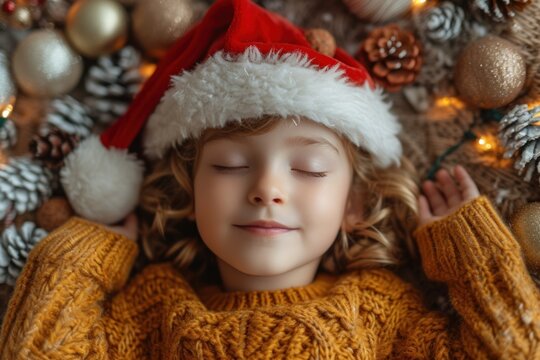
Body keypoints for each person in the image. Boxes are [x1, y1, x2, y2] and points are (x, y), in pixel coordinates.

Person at [1, 0, 539, 358]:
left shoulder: (379, 311)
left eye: (308, 168)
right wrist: (86, 253)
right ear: (189, 195)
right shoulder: (155, 309)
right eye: (231, 165)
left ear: (355, 203)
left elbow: (514, 349)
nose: (267, 189)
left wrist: (470, 254)